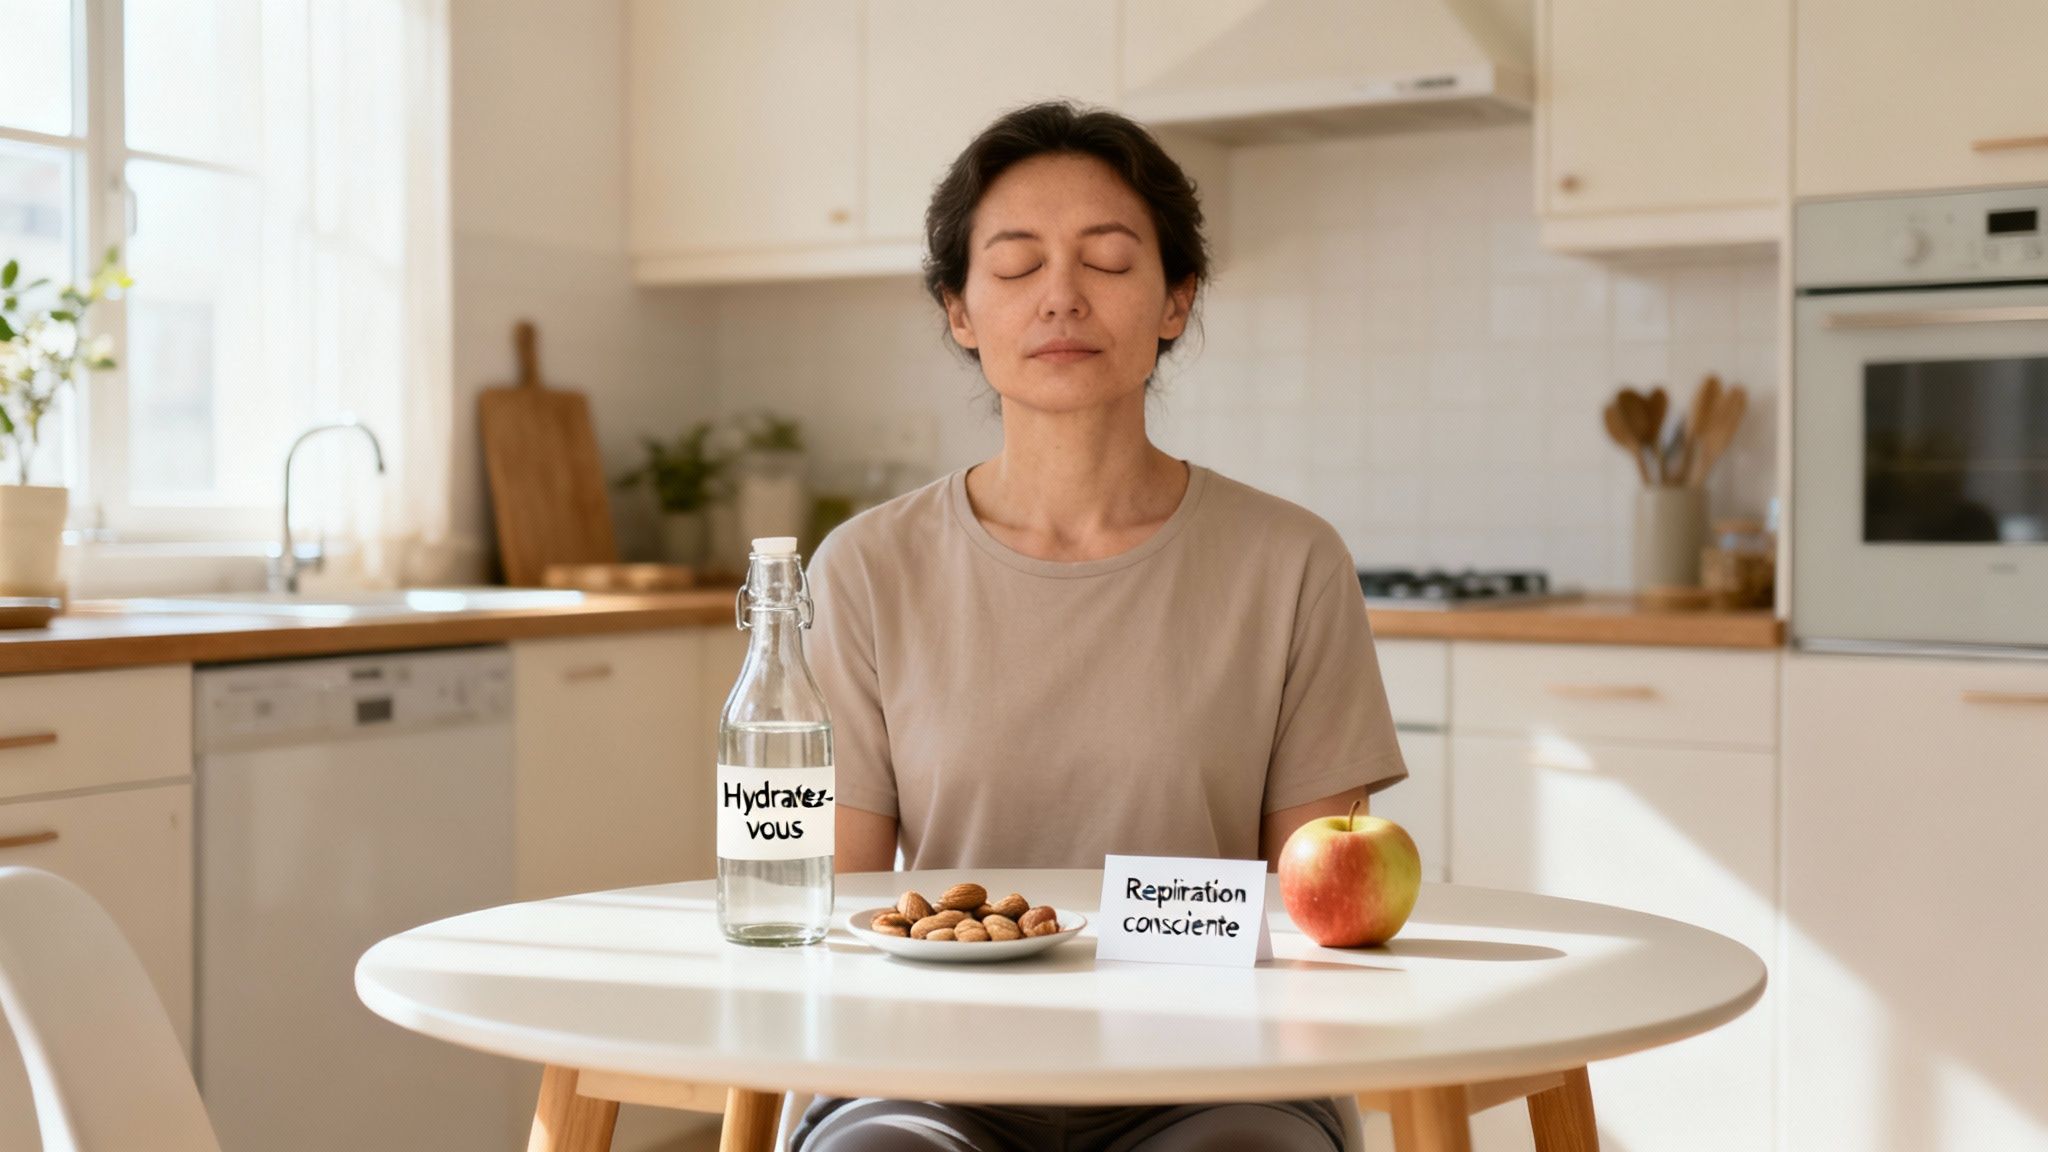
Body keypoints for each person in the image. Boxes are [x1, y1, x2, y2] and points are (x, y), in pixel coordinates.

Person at [792, 100, 1408, 1152]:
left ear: (1176, 299)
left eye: (1110, 261)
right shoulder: (864, 567)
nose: (1062, 295)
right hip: (929, 1070)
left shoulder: (1290, 562)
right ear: (959, 310)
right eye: (1015, 264)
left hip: (1220, 1074)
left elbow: (1318, 917)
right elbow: (833, 911)